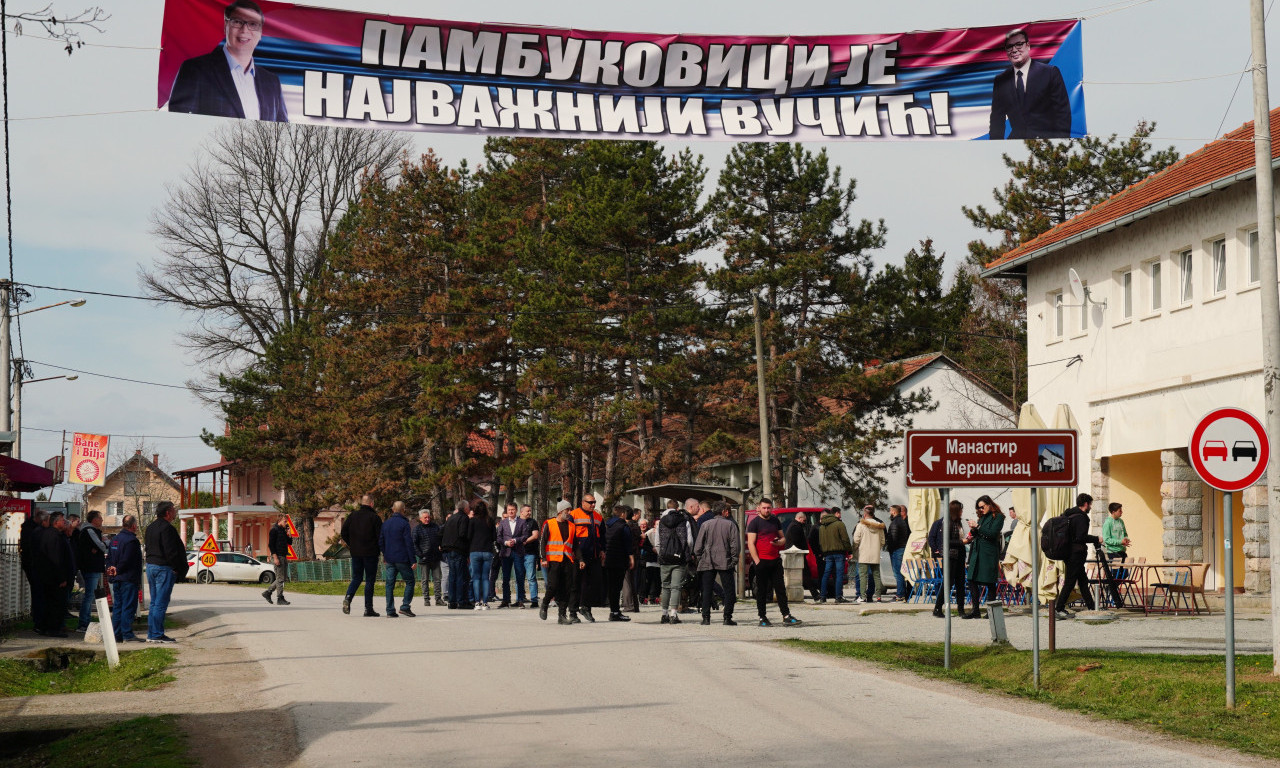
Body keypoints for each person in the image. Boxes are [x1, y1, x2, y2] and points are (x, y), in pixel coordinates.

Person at [167, 0, 288, 121]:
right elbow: (179, 121)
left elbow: (282, 127)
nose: (244, 30)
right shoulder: (195, 70)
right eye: (237, 22)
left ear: (261, 32)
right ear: (226, 26)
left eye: (253, 24)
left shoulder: (272, 82)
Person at [988, 27, 1071, 140]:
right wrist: (997, 147)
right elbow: (997, 121)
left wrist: (1059, 144)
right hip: (1015, 144)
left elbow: (1063, 114)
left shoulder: (1050, 73)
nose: (1014, 50)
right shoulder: (1001, 80)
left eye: (1019, 44)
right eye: (1009, 46)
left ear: (1028, 46)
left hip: (1047, 143)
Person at [746, 498, 801, 627]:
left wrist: (779, 542)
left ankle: (786, 615)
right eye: (764, 508)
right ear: (759, 508)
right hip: (762, 561)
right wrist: (757, 561)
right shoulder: (754, 523)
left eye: (768, 508)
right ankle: (762, 617)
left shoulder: (775, 520)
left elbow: (783, 538)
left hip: (775, 560)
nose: (766, 510)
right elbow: (751, 543)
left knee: (780, 589)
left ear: (771, 508)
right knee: (762, 591)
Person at [144, 501, 188, 643]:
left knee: (154, 602)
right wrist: (177, 568)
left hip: (151, 566)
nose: (175, 513)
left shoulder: (150, 527)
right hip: (163, 568)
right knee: (161, 603)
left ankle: (152, 633)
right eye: (174, 510)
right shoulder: (167, 528)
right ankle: (157, 634)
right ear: (168, 513)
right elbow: (171, 551)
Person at [1054, 493, 1101, 619]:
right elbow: (1081, 537)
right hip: (1075, 554)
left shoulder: (1068, 515)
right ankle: (1059, 608)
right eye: (1090, 504)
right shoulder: (1081, 517)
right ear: (1085, 504)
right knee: (1070, 582)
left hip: (1068, 553)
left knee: (1083, 581)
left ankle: (1092, 607)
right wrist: (1096, 538)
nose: (1090, 507)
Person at [693, 501, 739, 625]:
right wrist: (734, 559)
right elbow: (735, 545)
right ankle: (727, 617)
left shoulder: (705, 524)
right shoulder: (730, 525)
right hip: (725, 560)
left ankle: (706, 617)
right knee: (729, 590)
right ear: (724, 511)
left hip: (707, 560)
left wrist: (700, 557)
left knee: (707, 589)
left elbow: (698, 546)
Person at [341, 495, 383, 617]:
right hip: (371, 553)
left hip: (356, 553)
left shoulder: (352, 516)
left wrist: (352, 544)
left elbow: (343, 532)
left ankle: (348, 598)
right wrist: (380, 550)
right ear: (371, 504)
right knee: (369, 580)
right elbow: (380, 537)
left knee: (357, 578)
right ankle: (368, 608)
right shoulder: (374, 517)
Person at [963, 496, 1005, 619]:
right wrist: (973, 530)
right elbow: (978, 533)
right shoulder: (982, 517)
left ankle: (991, 612)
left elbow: (992, 533)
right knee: (971, 579)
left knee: (990, 582)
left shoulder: (998, 517)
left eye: (982, 507)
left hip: (988, 553)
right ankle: (975, 610)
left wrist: (978, 527)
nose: (981, 510)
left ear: (989, 504)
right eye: (979, 508)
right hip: (977, 552)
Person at [539, 502, 579, 625]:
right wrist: (543, 558)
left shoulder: (572, 526)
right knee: (553, 586)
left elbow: (576, 545)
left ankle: (562, 615)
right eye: (567, 510)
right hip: (553, 560)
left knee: (566, 588)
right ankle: (545, 603)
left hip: (567, 560)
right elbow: (542, 542)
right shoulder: (549, 523)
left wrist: (581, 559)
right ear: (560, 511)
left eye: (570, 510)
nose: (569, 512)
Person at [105, 514, 143, 643]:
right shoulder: (132, 541)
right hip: (128, 578)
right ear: (134, 525)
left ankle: (117, 635)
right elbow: (128, 559)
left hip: (116, 579)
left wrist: (110, 568)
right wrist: (118, 569)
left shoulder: (115, 539)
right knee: (128, 607)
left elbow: (109, 557)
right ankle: (127, 634)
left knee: (118, 607)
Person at [656, 499, 694, 625]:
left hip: (664, 559)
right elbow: (689, 541)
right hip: (679, 558)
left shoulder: (661, 522)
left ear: (667, 508)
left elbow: (657, 542)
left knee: (665, 586)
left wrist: (661, 553)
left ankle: (664, 613)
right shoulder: (684, 520)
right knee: (676, 587)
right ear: (677, 508)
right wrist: (687, 552)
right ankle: (673, 614)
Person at [36, 511, 74, 637]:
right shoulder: (54, 536)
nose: (65, 522)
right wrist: (61, 578)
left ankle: (46, 627)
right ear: (56, 522)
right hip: (55, 578)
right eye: (63, 520)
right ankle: (53, 629)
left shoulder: (50, 534)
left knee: (49, 603)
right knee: (56, 604)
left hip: (48, 576)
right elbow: (56, 558)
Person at [569, 494, 606, 622]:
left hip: (593, 556)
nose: (593, 505)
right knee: (575, 584)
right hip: (577, 556)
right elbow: (569, 536)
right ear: (583, 502)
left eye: (594, 502)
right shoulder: (573, 515)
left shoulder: (598, 517)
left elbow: (603, 535)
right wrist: (573, 553)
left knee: (591, 584)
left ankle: (586, 608)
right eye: (590, 502)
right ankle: (573, 612)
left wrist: (602, 550)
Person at [928, 500, 967, 618]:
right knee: (948, 583)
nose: (962, 512)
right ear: (956, 510)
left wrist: (967, 539)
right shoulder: (947, 523)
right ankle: (938, 608)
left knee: (960, 583)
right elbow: (946, 541)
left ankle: (961, 609)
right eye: (960, 509)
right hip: (950, 556)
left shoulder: (958, 522)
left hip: (959, 556)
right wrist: (962, 542)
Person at [378, 501, 416, 617]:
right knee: (410, 581)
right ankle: (405, 606)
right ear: (403, 509)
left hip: (390, 558)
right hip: (402, 558)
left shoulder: (386, 524)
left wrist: (385, 554)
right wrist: (413, 560)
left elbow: (381, 541)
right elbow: (408, 543)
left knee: (389, 584)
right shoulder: (404, 524)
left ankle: (390, 610)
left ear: (392, 509)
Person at [74, 510, 109, 632]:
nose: (102, 520)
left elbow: (97, 546)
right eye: (100, 518)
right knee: (89, 595)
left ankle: (86, 621)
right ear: (94, 520)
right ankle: (83, 623)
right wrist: (103, 544)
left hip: (91, 566)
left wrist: (97, 548)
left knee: (90, 595)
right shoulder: (89, 530)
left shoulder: (89, 531)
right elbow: (101, 545)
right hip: (91, 567)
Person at [602, 505, 634, 622]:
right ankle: (615, 613)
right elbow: (628, 543)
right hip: (620, 559)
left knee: (612, 587)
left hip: (609, 558)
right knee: (617, 586)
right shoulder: (623, 526)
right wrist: (631, 558)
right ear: (622, 514)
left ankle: (613, 611)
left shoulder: (607, 525)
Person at [497, 502, 532, 608]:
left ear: (516, 510)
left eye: (512, 509)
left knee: (520, 576)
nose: (511, 511)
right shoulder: (503, 522)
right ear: (507, 511)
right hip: (506, 552)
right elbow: (499, 537)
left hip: (518, 552)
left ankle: (520, 600)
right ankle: (505, 600)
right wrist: (506, 543)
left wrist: (516, 540)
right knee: (505, 577)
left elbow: (525, 535)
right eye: (509, 510)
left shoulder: (522, 522)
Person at [20, 509, 47, 634]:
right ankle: (38, 620)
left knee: (38, 592)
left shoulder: (31, 528)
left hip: (33, 563)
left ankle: (39, 619)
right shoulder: (31, 530)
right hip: (33, 564)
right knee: (38, 592)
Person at [785, 511, 821, 602]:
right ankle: (815, 594)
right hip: (797, 555)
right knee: (806, 575)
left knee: (804, 575)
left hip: (795, 555)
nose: (804, 522)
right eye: (804, 520)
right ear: (800, 518)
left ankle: (815, 594)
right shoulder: (796, 527)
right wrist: (803, 550)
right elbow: (797, 542)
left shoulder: (793, 526)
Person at [819, 508, 853, 604]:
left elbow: (821, 541)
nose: (840, 515)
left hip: (827, 553)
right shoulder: (839, 524)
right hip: (839, 552)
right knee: (839, 574)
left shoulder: (822, 526)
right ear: (837, 513)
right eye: (840, 513)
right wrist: (849, 551)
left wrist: (824, 552)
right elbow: (845, 539)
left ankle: (822, 596)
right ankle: (838, 597)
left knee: (826, 574)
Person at [440, 500, 471, 608]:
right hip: (458, 549)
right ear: (465, 508)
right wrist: (468, 548)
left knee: (452, 576)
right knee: (461, 576)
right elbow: (463, 534)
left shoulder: (451, 518)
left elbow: (441, 532)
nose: (469, 509)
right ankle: (461, 601)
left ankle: (452, 601)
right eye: (469, 507)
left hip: (448, 550)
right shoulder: (464, 518)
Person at [852, 506, 885, 602]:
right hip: (875, 553)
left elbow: (856, 539)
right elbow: (883, 541)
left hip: (863, 553)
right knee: (876, 576)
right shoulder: (879, 526)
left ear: (865, 514)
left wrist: (855, 549)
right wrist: (877, 548)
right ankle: (878, 597)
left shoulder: (861, 525)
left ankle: (862, 596)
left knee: (863, 576)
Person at [468, 500, 496, 611]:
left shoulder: (472, 521)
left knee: (476, 577)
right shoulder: (490, 520)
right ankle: (485, 602)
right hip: (487, 551)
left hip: (474, 551)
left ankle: (477, 602)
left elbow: (468, 536)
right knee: (485, 577)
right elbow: (494, 537)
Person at [413, 509, 444, 607]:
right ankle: (426, 599)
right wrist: (421, 555)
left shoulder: (435, 527)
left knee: (437, 579)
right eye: (425, 517)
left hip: (435, 557)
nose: (427, 519)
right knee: (425, 580)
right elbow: (414, 544)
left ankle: (438, 599)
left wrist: (440, 548)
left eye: (428, 517)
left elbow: (440, 538)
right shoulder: (417, 529)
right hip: (424, 558)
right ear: (420, 518)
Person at [261, 513, 293, 606]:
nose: (286, 523)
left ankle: (268, 592)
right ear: (279, 520)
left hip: (284, 555)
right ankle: (280, 598)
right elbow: (271, 545)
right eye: (285, 521)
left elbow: (290, 543)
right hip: (278, 556)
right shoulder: (274, 530)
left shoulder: (283, 530)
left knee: (282, 578)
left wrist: (289, 534)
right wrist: (275, 557)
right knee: (280, 578)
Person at [886, 504, 911, 601]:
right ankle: (902, 593)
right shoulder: (901, 521)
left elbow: (893, 538)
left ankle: (900, 594)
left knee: (898, 572)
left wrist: (890, 548)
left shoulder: (895, 522)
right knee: (900, 572)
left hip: (897, 549)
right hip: (901, 547)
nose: (889, 513)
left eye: (890, 511)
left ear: (894, 512)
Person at [519, 505, 540, 608]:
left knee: (531, 578)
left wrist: (525, 541)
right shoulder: (516, 522)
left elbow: (535, 535)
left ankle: (534, 600)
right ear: (521, 512)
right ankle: (520, 600)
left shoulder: (533, 522)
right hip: (518, 553)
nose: (529, 513)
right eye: (527, 511)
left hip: (530, 553)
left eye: (530, 511)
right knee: (519, 577)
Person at [639, 517, 660, 604]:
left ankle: (655, 597)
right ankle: (644, 597)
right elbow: (643, 545)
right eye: (657, 524)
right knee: (647, 579)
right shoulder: (649, 533)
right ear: (654, 525)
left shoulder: (663, 533)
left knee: (657, 580)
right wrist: (652, 549)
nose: (658, 526)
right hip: (649, 559)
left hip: (659, 560)